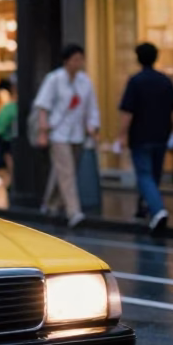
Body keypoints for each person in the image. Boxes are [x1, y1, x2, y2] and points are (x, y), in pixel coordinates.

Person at [34, 43, 100, 229]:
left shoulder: (85, 82)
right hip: (58, 133)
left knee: (61, 172)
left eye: (81, 59)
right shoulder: (54, 79)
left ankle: (50, 204)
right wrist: (43, 132)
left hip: (77, 134)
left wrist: (92, 127)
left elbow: (91, 107)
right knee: (67, 173)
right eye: (75, 59)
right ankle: (74, 212)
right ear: (66, 61)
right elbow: (43, 107)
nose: (79, 63)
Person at [115, 42, 173, 232]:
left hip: (140, 135)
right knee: (154, 175)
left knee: (144, 175)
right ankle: (144, 208)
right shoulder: (165, 81)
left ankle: (157, 210)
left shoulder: (135, 81)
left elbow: (128, 112)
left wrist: (121, 135)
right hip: (161, 134)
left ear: (138, 58)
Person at [0, 78, 18, 178]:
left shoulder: (9, 108)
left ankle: (13, 178)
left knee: (8, 157)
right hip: (15, 137)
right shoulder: (14, 106)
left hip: (8, 139)